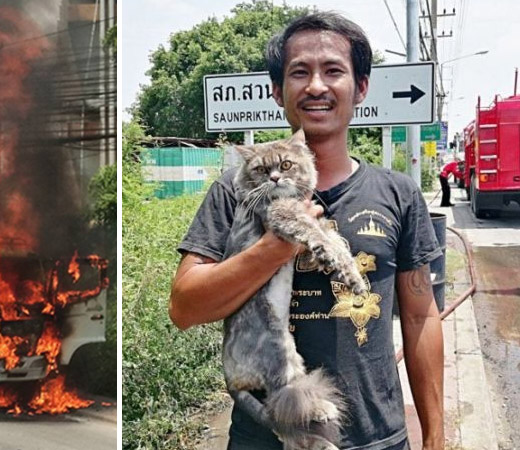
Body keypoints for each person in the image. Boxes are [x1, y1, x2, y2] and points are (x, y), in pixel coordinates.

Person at [169, 12, 443, 450]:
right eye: (300, 72)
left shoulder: (399, 192)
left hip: (377, 437)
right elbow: (184, 307)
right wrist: (276, 248)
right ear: (278, 91)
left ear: (361, 87)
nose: (316, 85)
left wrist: (435, 436)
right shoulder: (236, 191)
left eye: (334, 70)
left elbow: (420, 316)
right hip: (264, 438)